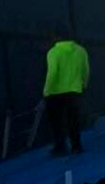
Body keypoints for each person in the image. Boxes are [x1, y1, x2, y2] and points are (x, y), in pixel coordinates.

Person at [43, 28, 89, 157]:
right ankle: (76, 146)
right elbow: (86, 70)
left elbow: (52, 74)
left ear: (55, 37)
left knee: (56, 121)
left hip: (55, 93)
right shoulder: (81, 51)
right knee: (73, 119)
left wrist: (46, 91)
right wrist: (84, 85)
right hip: (74, 91)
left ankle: (60, 146)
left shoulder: (53, 52)